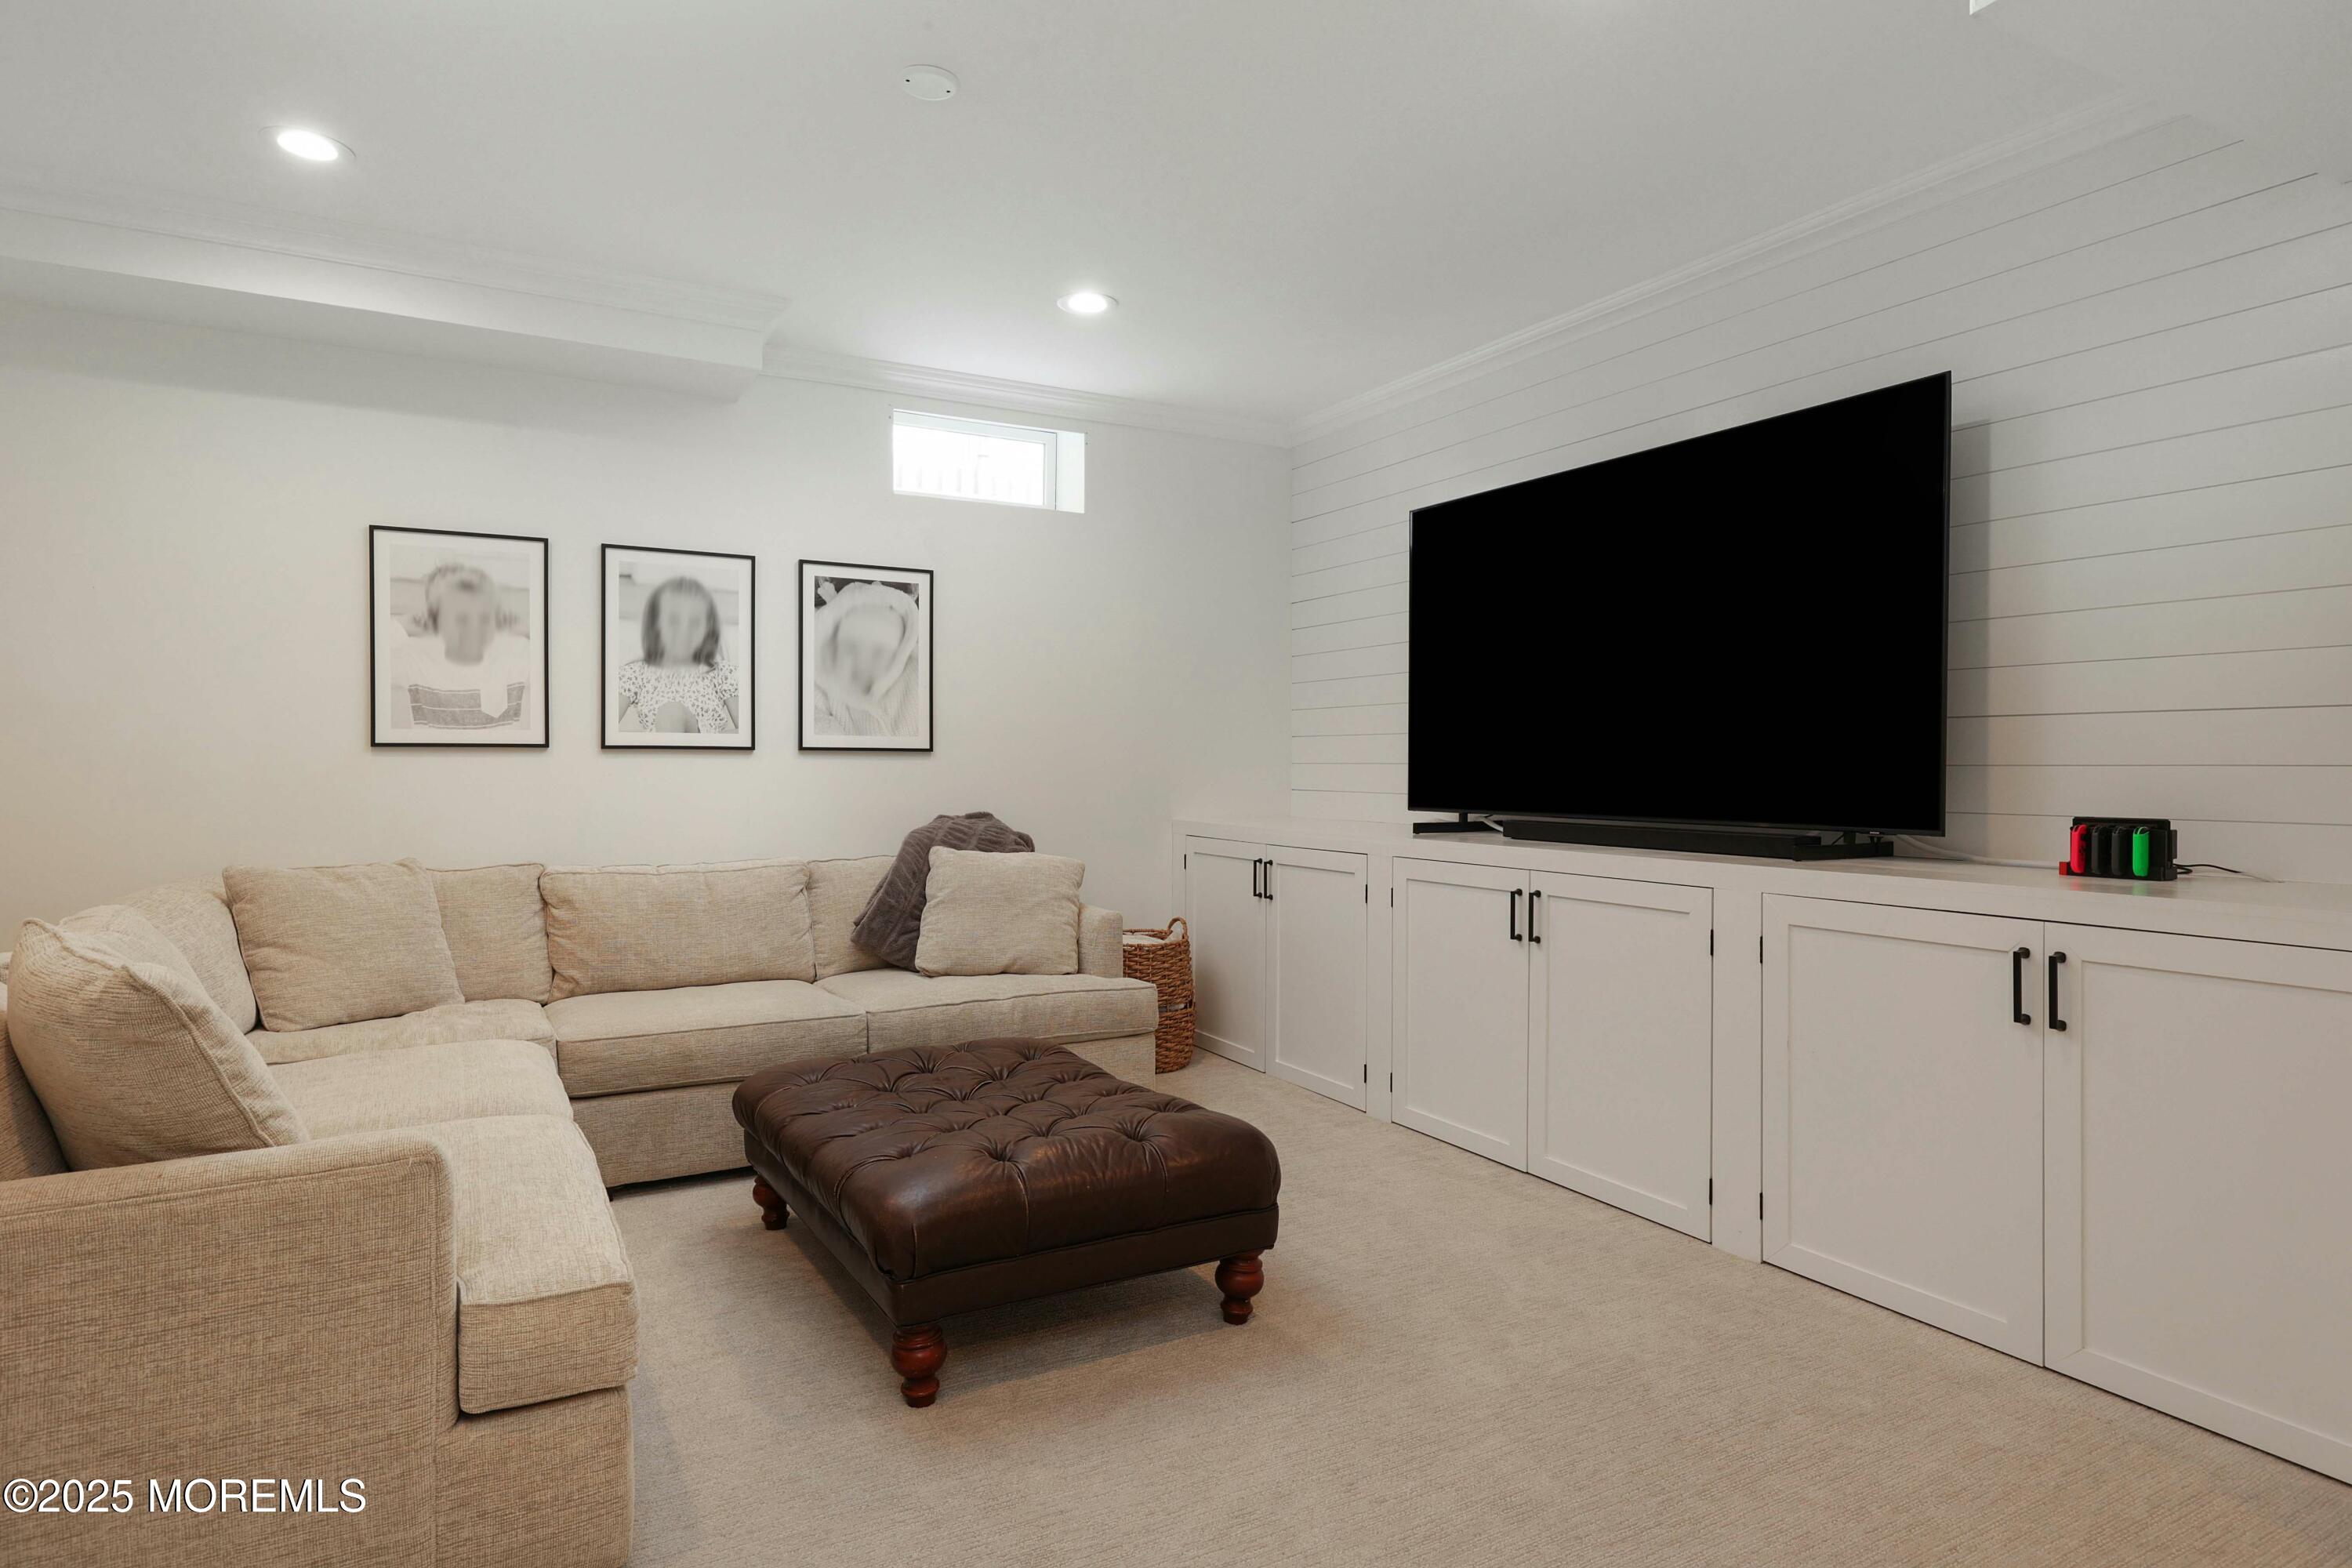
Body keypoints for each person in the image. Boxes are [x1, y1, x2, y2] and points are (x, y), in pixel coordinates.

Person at [382, 561, 535, 731]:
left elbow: (563, 670)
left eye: (483, 616)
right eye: (460, 618)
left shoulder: (515, 658)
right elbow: (365, 665)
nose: (472, 627)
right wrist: (403, 625)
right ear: (434, 620)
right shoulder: (414, 661)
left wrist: (528, 628)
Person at [617, 575, 739, 734]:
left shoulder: (723, 673)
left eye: (695, 622)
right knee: (670, 712)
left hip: (707, 753)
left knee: (672, 711)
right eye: (673, 620)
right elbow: (603, 731)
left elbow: (747, 734)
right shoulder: (634, 674)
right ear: (656, 625)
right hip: (659, 753)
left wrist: (704, 742)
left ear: (708, 629)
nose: (684, 632)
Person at [810, 578, 922, 736]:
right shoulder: (827, 684)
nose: (862, 661)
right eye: (851, 648)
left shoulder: (915, 675)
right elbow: (812, 716)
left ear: (900, 654)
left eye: (877, 652)